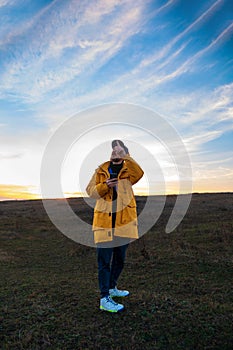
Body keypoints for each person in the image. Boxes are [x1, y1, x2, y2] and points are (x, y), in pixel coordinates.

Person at [86, 140, 144, 313]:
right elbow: (90, 191)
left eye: (119, 151)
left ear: (125, 153)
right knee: (104, 262)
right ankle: (104, 298)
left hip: (123, 224)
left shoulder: (129, 171)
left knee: (120, 260)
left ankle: (112, 288)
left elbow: (140, 172)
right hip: (104, 224)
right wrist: (105, 186)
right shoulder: (100, 171)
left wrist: (126, 156)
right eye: (113, 151)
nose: (114, 153)